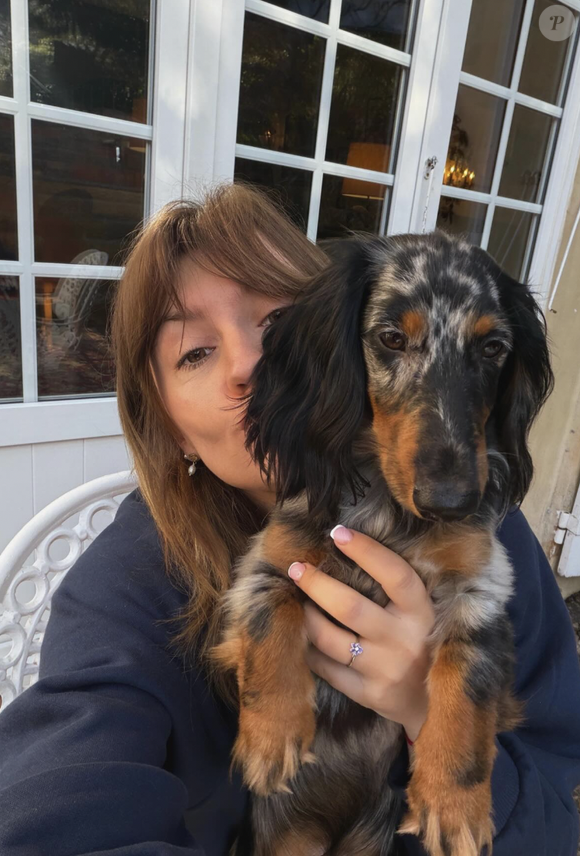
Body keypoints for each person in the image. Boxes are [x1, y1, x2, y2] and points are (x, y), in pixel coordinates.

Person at [0, 183, 579, 856]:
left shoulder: (481, 524)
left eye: (276, 329)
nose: (249, 365)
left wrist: (426, 711)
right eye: (195, 351)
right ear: (172, 429)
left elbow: (554, 815)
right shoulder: (131, 583)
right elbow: (59, 794)